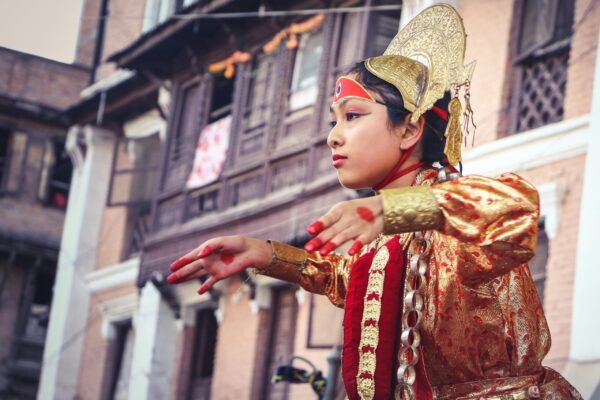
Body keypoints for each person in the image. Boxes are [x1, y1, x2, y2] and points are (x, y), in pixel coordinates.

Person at [167, 5, 582, 399]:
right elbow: (354, 282)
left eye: (352, 116)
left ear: (409, 130)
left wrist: (393, 210)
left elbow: (519, 207)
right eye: (334, 120)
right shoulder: (385, 233)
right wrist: (265, 255)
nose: (333, 136)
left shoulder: (451, 216)